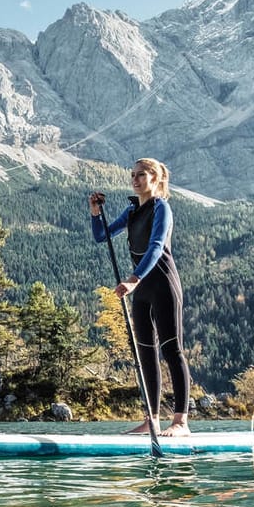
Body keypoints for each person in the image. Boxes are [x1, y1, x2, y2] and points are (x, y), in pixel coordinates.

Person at [89, 158, 191, 437]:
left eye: (142, 175)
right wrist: (96, 212)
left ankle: (181, 422)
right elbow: (102, 236)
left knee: (171, 349)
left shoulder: (162, 208)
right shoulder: (132, 210)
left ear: (156, 179)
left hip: (162, 284)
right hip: (142, 289)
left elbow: (157, 246)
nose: (135, 179)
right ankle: (152, 419)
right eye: (133, 175)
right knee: (145, 351)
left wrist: (133, 280)